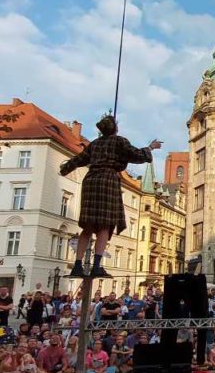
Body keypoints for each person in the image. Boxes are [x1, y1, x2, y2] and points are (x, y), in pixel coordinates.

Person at [60, 115, 160, 278]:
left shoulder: (94, 144)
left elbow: (78, 160)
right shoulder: (119, 141)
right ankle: (97, 266)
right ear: (115, 128)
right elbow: (138, 155)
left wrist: (64, 169)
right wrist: (151, 147)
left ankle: (77, 265)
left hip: (91, 181)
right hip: (108, 180)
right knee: (104, 226)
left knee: (88, 226)